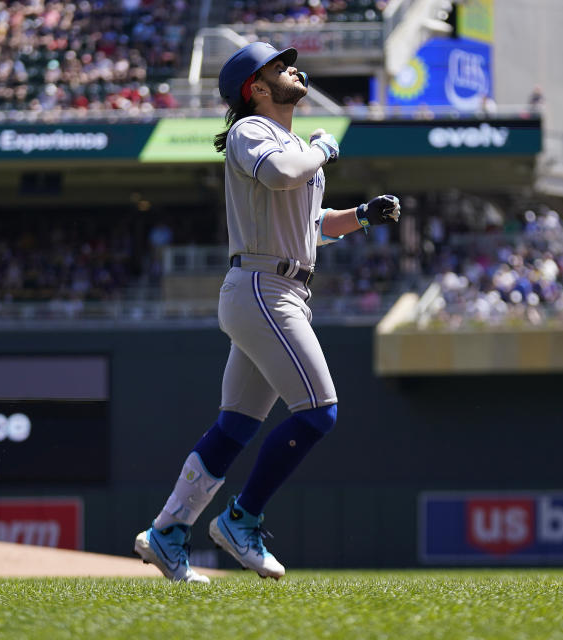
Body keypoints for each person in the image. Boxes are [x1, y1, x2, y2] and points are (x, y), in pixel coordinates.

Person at [133, 42, 401, 583]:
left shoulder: (292, 143)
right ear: (255, 88)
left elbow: (312, 226)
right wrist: (326, 148)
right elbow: (282, 174)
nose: (293, 69)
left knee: (234, 427)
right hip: (263, 286)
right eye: (279, 67)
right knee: (319, 411)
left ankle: (167, 531)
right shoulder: (251, 131)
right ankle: (242, 519)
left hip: (277, 286)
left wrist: (362, 216)